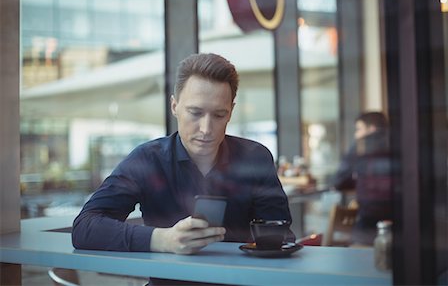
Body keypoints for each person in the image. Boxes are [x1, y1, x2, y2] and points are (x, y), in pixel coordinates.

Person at [72, 53, 294, 257]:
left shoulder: (255, 158)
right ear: (174, 106)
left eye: (219, 114)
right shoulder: (148, 159)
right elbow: (84, 227)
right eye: (195, 113)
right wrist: (162, 239)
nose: (206, 129)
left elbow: (280, 234)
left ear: (231, 112)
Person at [333, 111, 393, 245]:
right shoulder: (403, 141)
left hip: (370, 225)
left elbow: (339, 181)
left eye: (359, 129)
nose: (356, 134)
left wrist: (360, 182)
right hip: (405, 222)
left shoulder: (362, 145)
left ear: (372, 129)